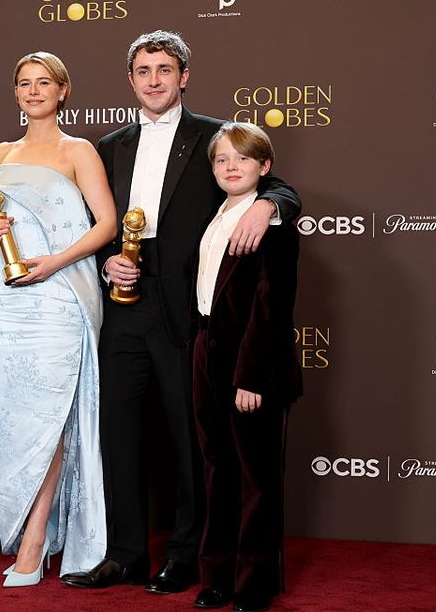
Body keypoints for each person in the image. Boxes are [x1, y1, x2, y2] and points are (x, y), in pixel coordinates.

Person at [61, 30, 301, 592]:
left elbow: (281, 185)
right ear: (130, 79)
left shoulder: (216, 136)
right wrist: (104, 266)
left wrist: (267, 204)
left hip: (187, 319)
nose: (153, 80)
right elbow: (90, 225)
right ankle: (123, 553)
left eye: (164, 70)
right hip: (121, 314)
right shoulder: (108, 146)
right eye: (143, 71)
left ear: (183, 76)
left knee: (194, 445)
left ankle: (187, 554)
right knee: (118, 435)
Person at [0, 52, 116, 587]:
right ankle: (28, 527)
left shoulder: (79, 150)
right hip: (7, 300)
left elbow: (107, 223)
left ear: (63, 90)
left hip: (60, 298)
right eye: (24, 84)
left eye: (44, 83)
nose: (33, 91)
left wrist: (54, 263)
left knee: (53, 416)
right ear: (15, 93)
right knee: (16, 422)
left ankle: (35, 538)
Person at [190, 122, 302, 612]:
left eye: (241, 159)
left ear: (265, 167)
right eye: (221, 160)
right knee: (217, 471)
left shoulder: (269, 220)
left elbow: (271, 306)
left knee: (255, 479)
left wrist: (250, 376)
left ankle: (253, 584)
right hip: (207, 351)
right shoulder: (217, 214)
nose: (230, 168)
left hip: (250, 362)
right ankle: (216, 575)